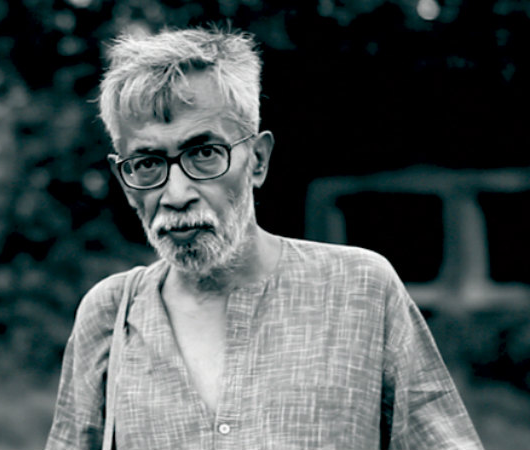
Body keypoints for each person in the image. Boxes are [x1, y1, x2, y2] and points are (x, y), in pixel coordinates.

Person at [45, 27, 484, 450]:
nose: (176, 195)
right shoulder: (108, 314)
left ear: (257, 160)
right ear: (124, 182)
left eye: (204, 153)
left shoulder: (361, 290)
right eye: (147, 164)